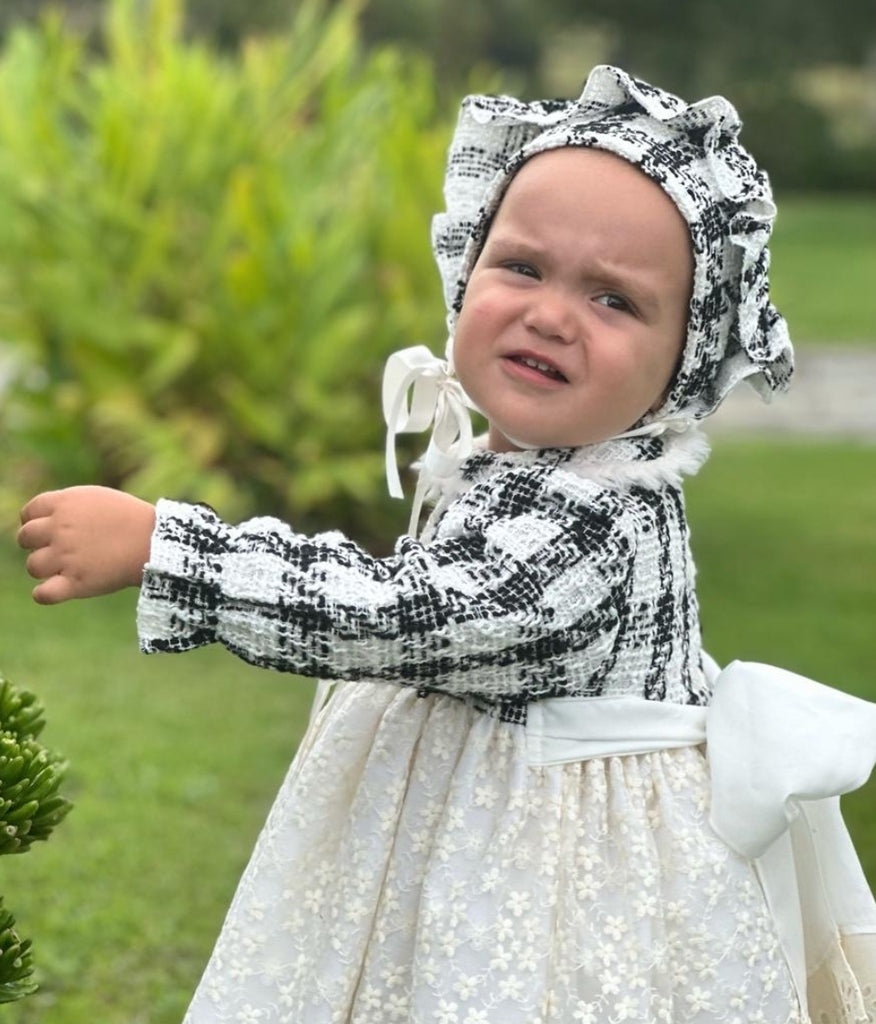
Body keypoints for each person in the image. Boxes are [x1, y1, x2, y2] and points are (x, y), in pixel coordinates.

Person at [16, 65, 876, 1024]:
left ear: (684, 363)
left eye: (614, 300)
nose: (550, 314)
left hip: (548, 882)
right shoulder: (532, 467)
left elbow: (415, 614)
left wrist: (176, 553)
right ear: (467, 269)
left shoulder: (593, 517)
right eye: (523, 268)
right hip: (470, 822)